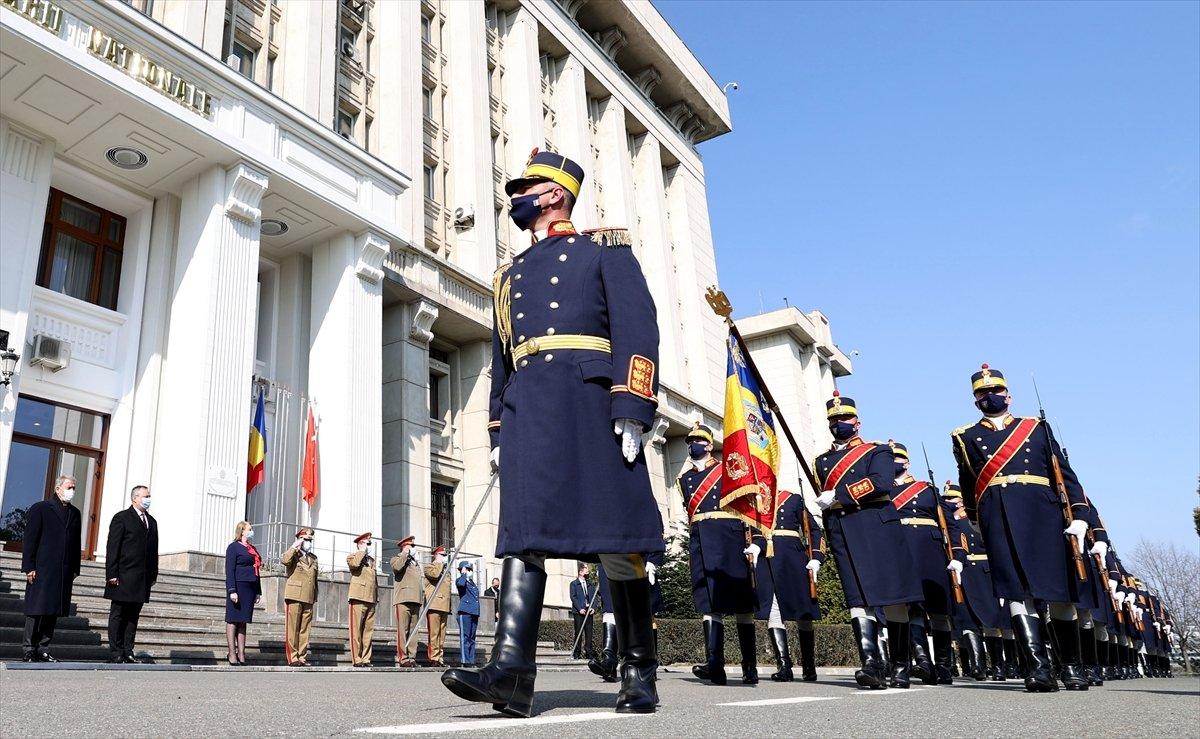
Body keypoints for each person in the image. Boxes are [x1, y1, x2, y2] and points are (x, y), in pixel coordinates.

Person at [441, 150, 663, 717]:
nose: (516, 196)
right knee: (525, 531)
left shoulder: (603, 250)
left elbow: (637, 324)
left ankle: (637, 667)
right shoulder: (507, 276)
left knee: (617, 534)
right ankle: (512, 671)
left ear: (557, 193)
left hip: (590, 398)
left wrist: (632, 404)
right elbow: (502, 359)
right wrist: (496, 427)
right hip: (531, 406)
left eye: (528, 186)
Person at [950, 364, 1101, 692]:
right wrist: (978, 521)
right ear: (975, 399)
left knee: (1058, 591)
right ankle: (1039, 667)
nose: (989, 396)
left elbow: (1064, 472)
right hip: (998, 514)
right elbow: (968, 484)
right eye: (982, 393)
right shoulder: (965, 437)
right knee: (1016, 591)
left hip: (1042, 511)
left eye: (995, 391)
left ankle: (1072, 667)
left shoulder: (1035, 428)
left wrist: (1079, 515)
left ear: (1008, 394)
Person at [815, 392, 923, 689]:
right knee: (857, 598)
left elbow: (881, 482)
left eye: (844, 419)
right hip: (843, 530)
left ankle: (900, 665)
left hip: (876, 526)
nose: (838, 423)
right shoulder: (822, 461)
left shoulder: (878, 451)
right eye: (833, 420)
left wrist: (838, 495)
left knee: (892, 598)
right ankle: (871, 664)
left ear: (857, 422)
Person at [680, 423, 758, 686]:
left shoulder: (727, 469)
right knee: (708, 603)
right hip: (701, 539)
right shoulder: (685, 479)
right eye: (690, 441)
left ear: (709, 444)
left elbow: (748, 506)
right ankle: (716, 665)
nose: (693, 445)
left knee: (741, 604)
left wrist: (755, 540)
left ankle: (750, 666)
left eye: (699, 441)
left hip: (729, 538)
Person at [889, 442, 956, 685]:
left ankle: (944, 666)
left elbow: (949, 523)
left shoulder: (926, 489)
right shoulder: (883, 492)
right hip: (900, 550)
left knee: (938, 611)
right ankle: (923, 662)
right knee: (911, 606)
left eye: (897, 458)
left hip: (930, 550)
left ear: (906, 462)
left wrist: (956, 555)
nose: (893, 462)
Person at [752, 490, 825, 682]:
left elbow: (814, 530)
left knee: (803, 612)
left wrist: (816, 557)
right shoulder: (755, 500)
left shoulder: (793, 498)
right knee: (773, 609)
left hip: (793, 557)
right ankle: (784, 665)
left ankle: (809, 666)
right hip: (768, 557)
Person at [941, 483, 1007, 681]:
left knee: (991, 622)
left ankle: (998, 666)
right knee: (967, 621)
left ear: (961, 500)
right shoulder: (948, 523)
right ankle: (977, 665)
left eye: (951, 500)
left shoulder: (976, 519)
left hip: (984, 573)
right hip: (962, 573)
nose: (948, 503)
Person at [20, 475, 82, 663]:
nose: (72, 491)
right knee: (36, 610)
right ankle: (29, 649)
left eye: (74, 488)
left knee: (53, 610)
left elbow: (75, 542)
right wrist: (29, 566)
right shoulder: (41, 508)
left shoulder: (75, 513)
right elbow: (31, 539)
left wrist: (74, 569)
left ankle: (43, 649)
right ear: (58, 488)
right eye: (69, 487)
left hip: (63, 571)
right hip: (42, 569)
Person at [104, 485, 158, 664]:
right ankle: (116, 652)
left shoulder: (152, 521)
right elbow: (113, 547)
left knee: (133, 616)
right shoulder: (122, 518)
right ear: (135, 498)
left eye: (149, 495)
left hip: (141, 578)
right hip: (123, 575)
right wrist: (112, 573)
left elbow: (153, 550)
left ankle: (128, 651)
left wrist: (153, 574)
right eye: (145, 495)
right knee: (118, 614)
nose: (148, 498)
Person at [224, 521, 262, 665]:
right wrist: (232, 590)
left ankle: (241, 653)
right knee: (233, 619)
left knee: (243, 621)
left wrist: (258, 591)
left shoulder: (252, 549)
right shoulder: (233, 547)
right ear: (242, 531)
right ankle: (232, 653)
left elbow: (256, 570)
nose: (252, 531)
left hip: (250, 588)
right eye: (249, 529)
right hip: (238, 587)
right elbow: (230, 570)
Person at [281, 527, 318, 666]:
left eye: (310, 540)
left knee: (304, 629)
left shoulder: (313, 558)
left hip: (308, 596)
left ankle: (302, 656)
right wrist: (294, 546)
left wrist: (314, 596)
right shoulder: (294, 554)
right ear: (300, 540)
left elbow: (314, 580)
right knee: (293, 628)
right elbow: (284, 561)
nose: (309, 542)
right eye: (306, 539)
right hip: (295, 595)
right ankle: (293, 657)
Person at [390, 535, 422, 667]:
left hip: (415, 599)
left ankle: (412, 657)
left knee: (413, 631)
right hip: (403, 598)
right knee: (403, 630)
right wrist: (404, 554)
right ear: (405, 546)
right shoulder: (397, 558)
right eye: (411, 546)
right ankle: (403, 658)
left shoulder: (415, 563)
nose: (413, 548)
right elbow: (396, 568)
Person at [347, 531, 378, 667]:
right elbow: (354, 565)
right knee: (356, 630)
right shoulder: (353, 556)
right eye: (367, 543)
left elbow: (374, 580)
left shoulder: (371, 560)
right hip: (358, 596)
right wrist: (361, 551)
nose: (369, 546)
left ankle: (366, 658)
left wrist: (376, 597)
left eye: (369, 543)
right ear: (360, 544)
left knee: (367, 631)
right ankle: (357, 658)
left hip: (370, 598)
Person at [424, 546, 452, 667]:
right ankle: (433, 657)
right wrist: (440, 563)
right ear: (436, 555)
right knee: (434, 633)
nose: (445, 557)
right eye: (442, 555)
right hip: (434, 604)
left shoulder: (446, 570)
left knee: (442, 634)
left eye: (445, 555)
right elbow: (434, 575)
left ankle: (440, 657)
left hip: (444, 605)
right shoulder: (430, 567)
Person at [570, 563, 598, 660]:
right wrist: (579, 608)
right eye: (586, 571)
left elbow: (595, 597)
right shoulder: (574, 584)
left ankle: (589, 652)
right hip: (579, 612)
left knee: (589, 633)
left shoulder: (590, 584)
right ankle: (577, 653)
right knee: (578, 632)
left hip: (588, 612)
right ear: (581, 572)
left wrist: (593, 608)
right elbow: (573, 597)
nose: (588, 573)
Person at [456, 561, 481, 667]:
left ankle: (471, 660)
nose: (470, 571)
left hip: (474, 612)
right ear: (463, 569)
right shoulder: (460, 580)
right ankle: (465, 661)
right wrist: (463, 574)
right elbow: (461, 585)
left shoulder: (472, 583)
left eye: (470, 570)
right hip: (465, 612)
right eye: (468, 569)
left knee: (471, 638)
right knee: (465, 637)